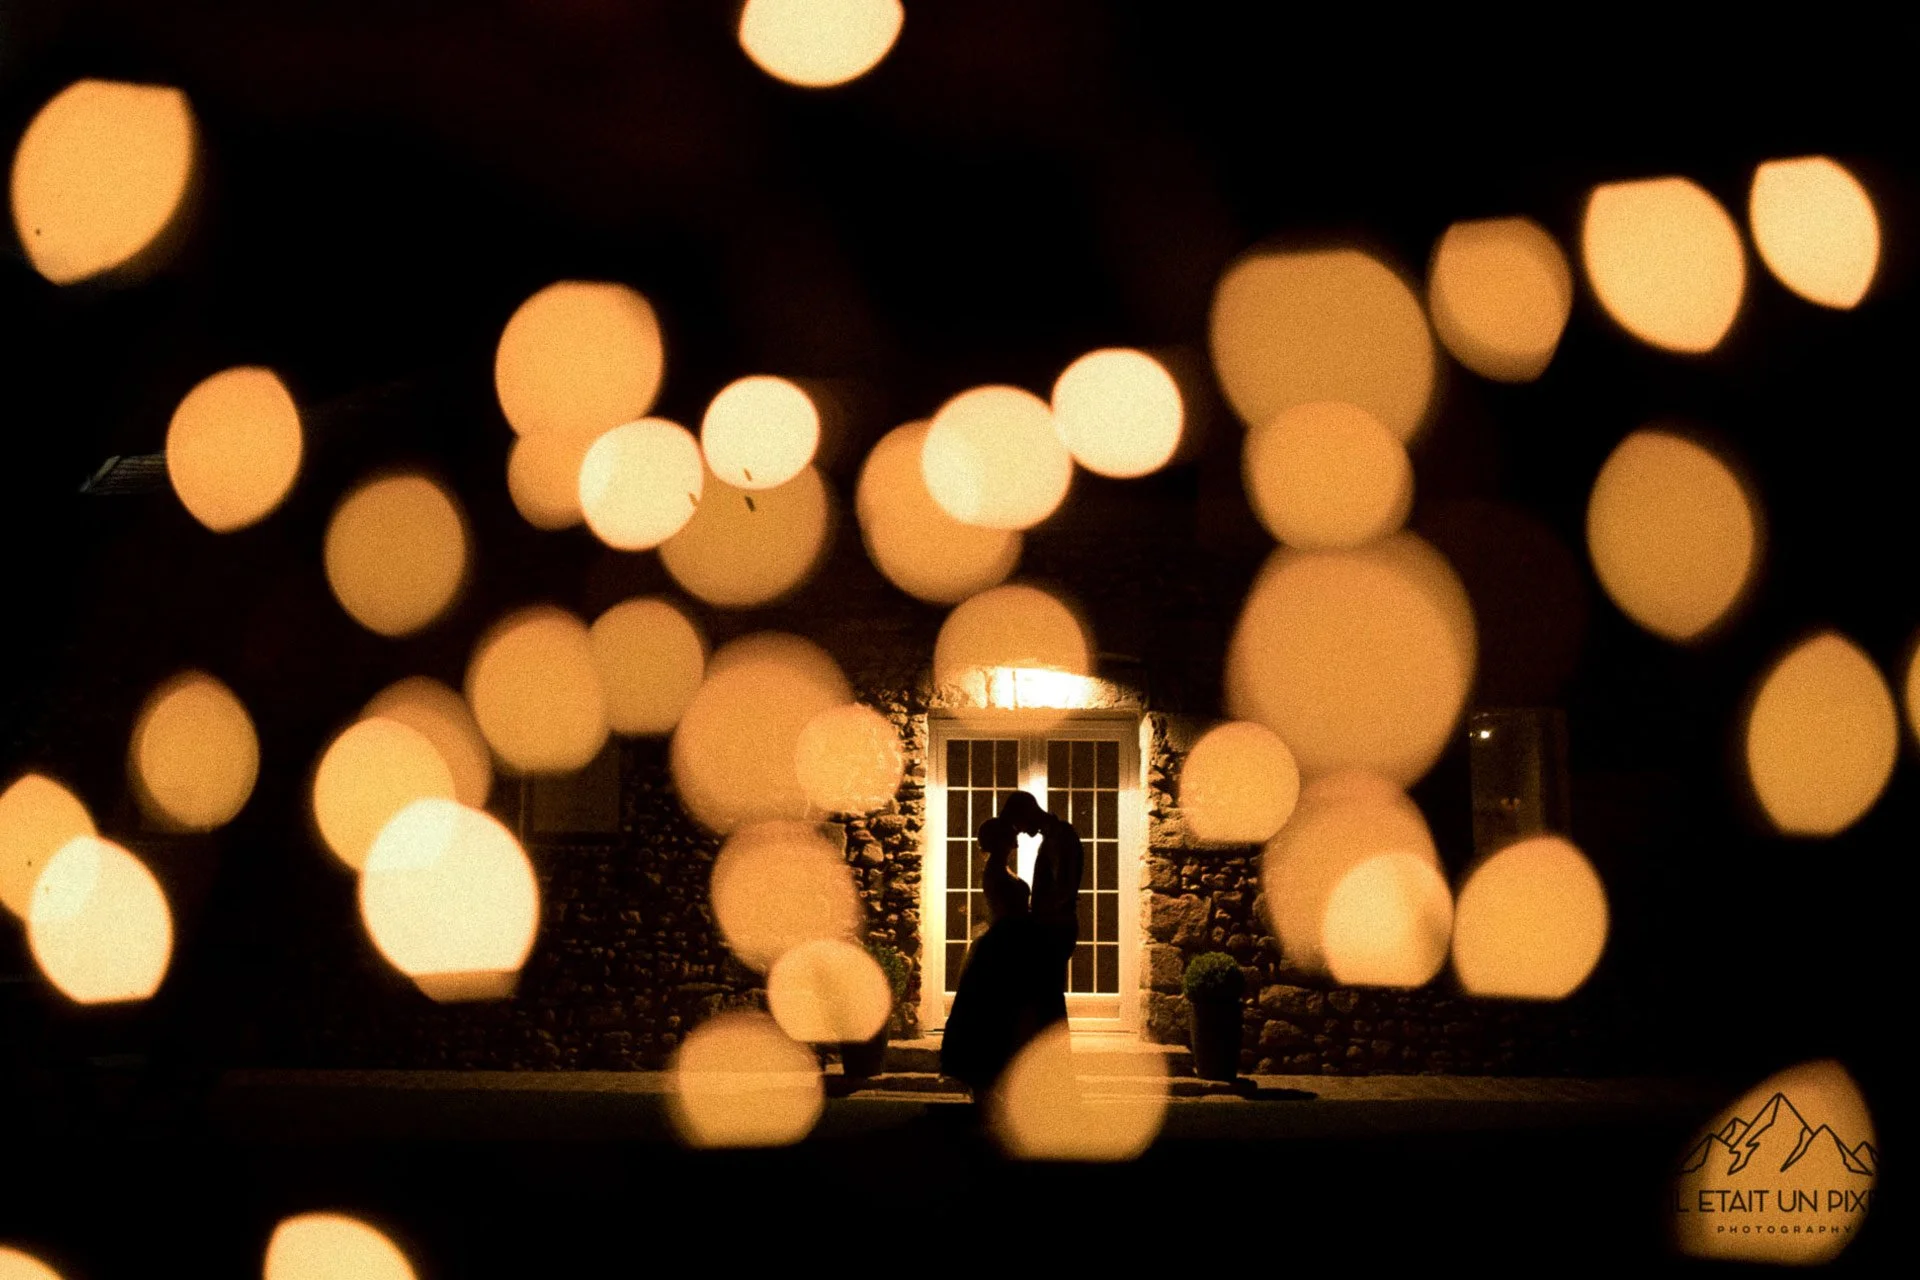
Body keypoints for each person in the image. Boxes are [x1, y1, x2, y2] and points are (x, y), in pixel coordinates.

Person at [938, 816, 1061, 1097]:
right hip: (1007, 942)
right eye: (1012, 832)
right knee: (999, 1010)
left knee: (1001, 1011)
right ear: (1002, 840)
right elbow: (1006, 910)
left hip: (1009, 938)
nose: (1017, 835)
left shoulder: (998, 867)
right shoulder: (995, 870)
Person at [998, 789, 1083, 982]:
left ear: (1026, 813)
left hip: (1054, 927)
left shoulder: (1060, 837)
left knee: (1049, 995)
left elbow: (1064, 887)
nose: (1019, 831)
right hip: (1053, 925)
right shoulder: (1054, 837)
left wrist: (1037, 922)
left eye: (1017, 823)